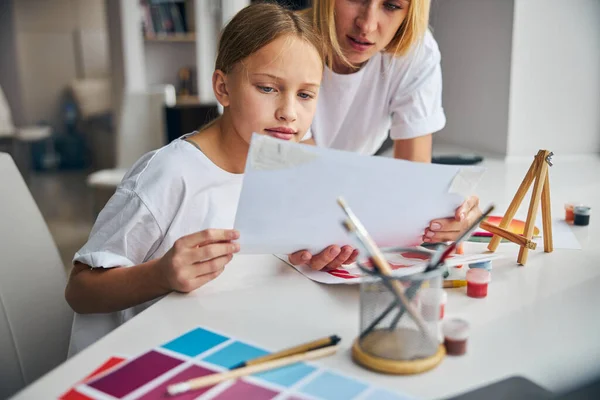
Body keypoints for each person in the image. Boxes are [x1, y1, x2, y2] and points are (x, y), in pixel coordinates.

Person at [64, 2, 325, 356]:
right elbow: (79, 291)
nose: (289, 112)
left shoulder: (282, 170)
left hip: (224, 344)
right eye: (268, 88)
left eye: (305, 94)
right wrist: (160, 275)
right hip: (145, 358)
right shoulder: (170, 174)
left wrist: (309, 259)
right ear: (223, 87)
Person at [288, 0, 481, 271]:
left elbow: (412, 179)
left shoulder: (416, 53)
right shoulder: (286, 44)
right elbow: (306, 180)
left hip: (333, 210)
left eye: (391, 5)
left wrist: (447, 212)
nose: (367, 24)